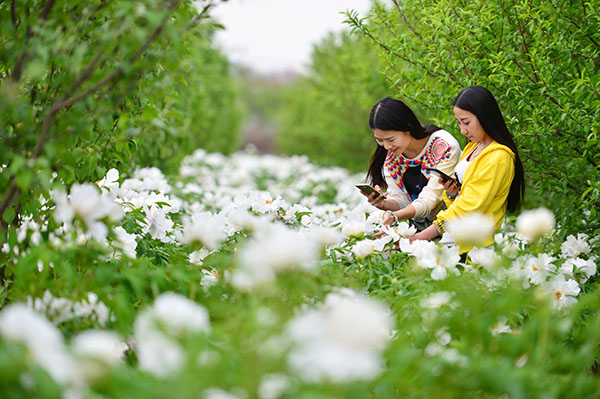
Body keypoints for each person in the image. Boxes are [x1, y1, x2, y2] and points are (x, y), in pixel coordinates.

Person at [408, 85, 525, 253]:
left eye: (467, 122)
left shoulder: (499, 157)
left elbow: (471, 206)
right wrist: (453, 193)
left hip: (475, 247)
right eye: (459, 123)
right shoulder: (472, 148)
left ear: (485, 116)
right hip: (454, 240)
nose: (463, 130)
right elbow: (464, 199)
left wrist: (425, 234)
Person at [363, 97, 461, 231]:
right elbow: (403, 201)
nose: (386, 146)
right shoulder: (392, 158)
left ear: (408, 126)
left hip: (457, 225)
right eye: (379, 140)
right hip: (420, 231)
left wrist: (395, 216)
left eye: (390, 139)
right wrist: (384, 204)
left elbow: (430, 199)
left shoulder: (443, 146)